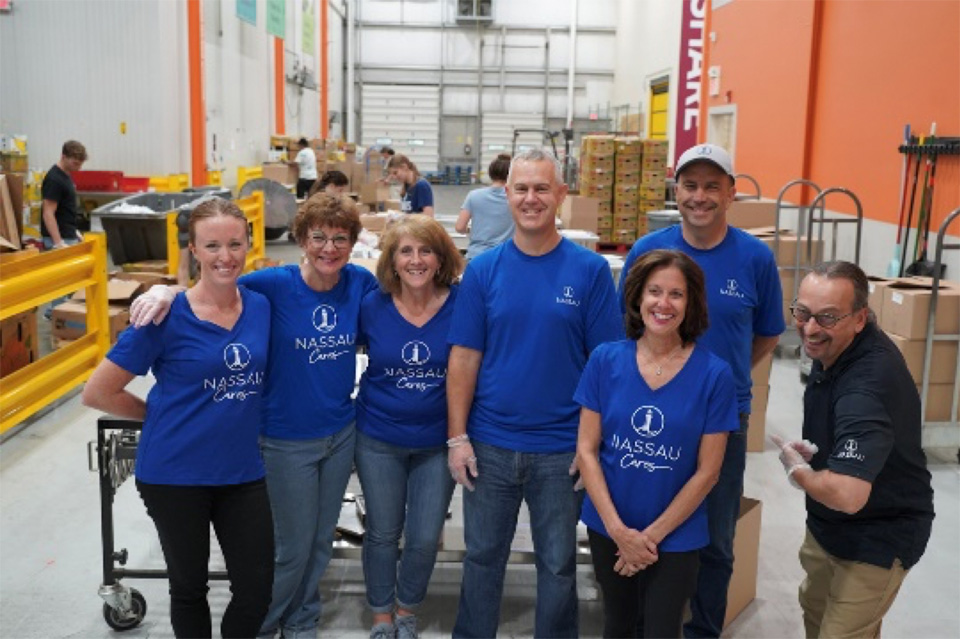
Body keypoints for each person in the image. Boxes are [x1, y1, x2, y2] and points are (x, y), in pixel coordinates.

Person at [130, 194, 378, 638]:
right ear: (301, 239)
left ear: (353, 244)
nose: (328, 248)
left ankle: (301, 618)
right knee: (290, 548)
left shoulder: (359, 283)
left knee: (320, 542)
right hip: (284, 439)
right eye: (318, 237)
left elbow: (407, 294)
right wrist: (163, 288)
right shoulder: (272, 286)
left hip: (339, 433)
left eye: (340, 238)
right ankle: (260, 626)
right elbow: (210, 285)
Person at [446, 147, 624, 638]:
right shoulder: (482, 270)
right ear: (506, 195)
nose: (531, 198)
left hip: (561, 449)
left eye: (542, 188)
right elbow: (463, 359)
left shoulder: (589, 272)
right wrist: (457, 438)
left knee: (558, 564)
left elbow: (606, 365)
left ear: (561, 195)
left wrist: (591, 446)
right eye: (521, 189)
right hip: (490, 445)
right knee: (481, 559)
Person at [82, 198, 274, 638]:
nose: (225, 256)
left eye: (234, 244)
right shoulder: (163, 317)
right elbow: (98, 391)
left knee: (257, 587)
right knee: (190, 587)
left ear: (248, 244)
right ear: (193, 250)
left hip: (242, 471)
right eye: (212, 246)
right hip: (174, 474)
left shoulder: (261, 305)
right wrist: (156, 417)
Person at [618, 143, 784, 638]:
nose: (700, 196)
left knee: (715, 538)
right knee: (644, 524)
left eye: (713, 185)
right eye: (690, 185)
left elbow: (768, 333)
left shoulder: (755, 257)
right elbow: (624, 327)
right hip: (648, 414)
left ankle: (703, 630)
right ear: (677, 190)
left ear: (732, 192)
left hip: (721, 420)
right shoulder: (648, 250)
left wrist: (716, 380)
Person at [576, 249, 738, 638]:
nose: (663, 304)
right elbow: (586, 450)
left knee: (662, 630)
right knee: (617, 625)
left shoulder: (715, 374)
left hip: (676, 534)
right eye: (654, 291)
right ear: (636, 297)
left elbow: (709, 471)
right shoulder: (605, 360)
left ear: (692, 302)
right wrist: (619, 532)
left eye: (676, 294)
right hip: (609, 526)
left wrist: (648, 539)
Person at [771, 261, 934, 639]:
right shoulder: (835, 349)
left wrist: (800, 472)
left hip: (878, 536)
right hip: (828, 528)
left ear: (860, 318)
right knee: (814, 612)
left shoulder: (867, 384)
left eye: (827, 318)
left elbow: (847, 494)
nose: (810, 329)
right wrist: (822, 452)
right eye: (802, 313)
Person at [355, 216, 465, 639]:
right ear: (392, 259)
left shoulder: (461, 303)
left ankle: (407, 609)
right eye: (406, 251)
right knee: (383, 532)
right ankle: (381, 613)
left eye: (426, 251)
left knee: (422, 536)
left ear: (440, 258)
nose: (416, 260)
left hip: (438, 443)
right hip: (378, 438)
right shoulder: (372, 305)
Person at [455, 153, 515, 260]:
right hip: (505, 257)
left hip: (477, 256)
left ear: (491, 173)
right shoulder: (516, 198)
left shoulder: (474, 195)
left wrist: (472, 230)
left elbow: (459, 227)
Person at [41, 139, 87, 250]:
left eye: (80, 164)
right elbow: (48, 213)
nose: (78, 168)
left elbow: (64, 207)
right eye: (75, 163)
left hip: (67, 235)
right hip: (59, 240)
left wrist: (73, 230)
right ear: (63, 157)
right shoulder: (54, 179)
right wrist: (58, 243)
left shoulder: (65, 174)